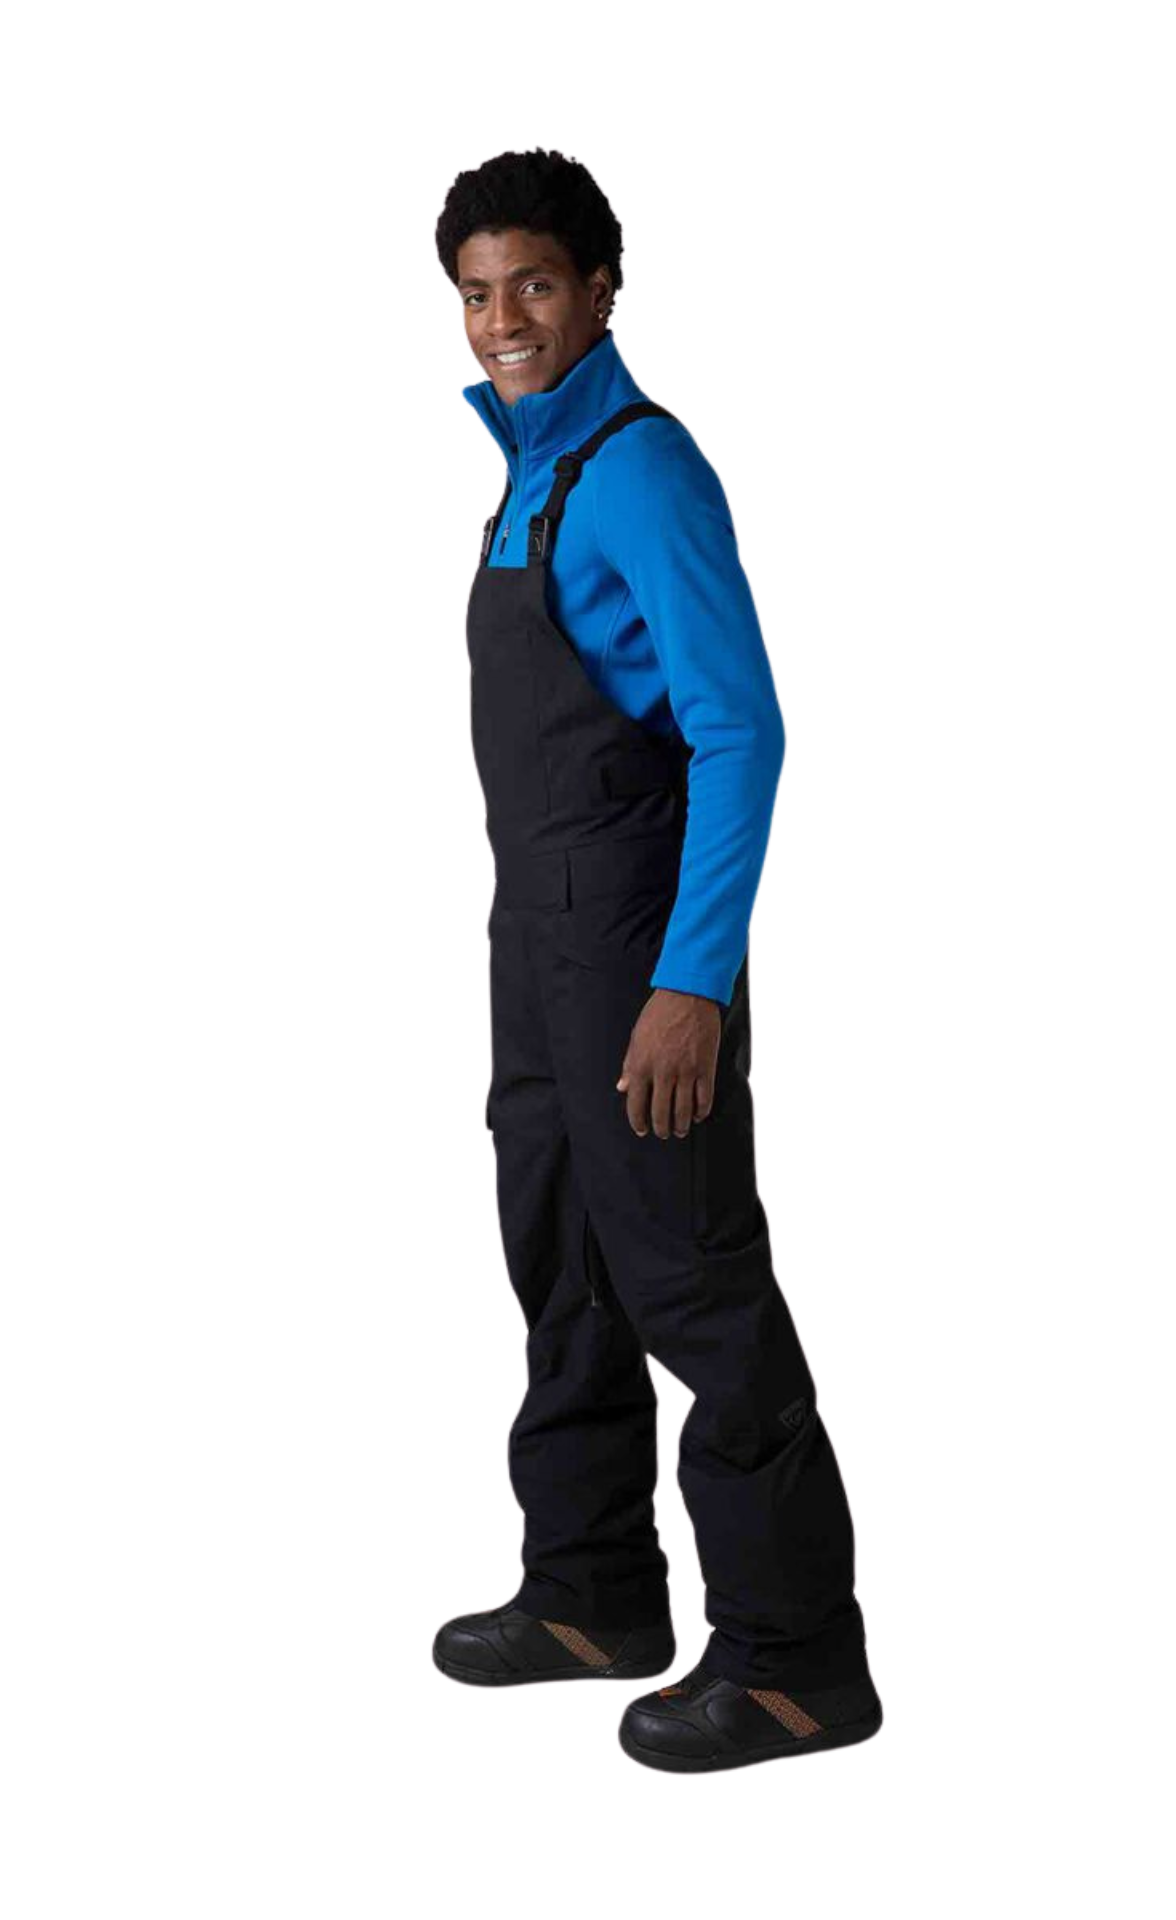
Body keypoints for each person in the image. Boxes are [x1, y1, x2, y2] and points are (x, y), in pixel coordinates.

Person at [430, 147, 882, 1773]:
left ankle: (795, 1659)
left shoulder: (637, 470)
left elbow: (740, 729)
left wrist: (691, 982)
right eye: (478, 294)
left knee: (689, 1274)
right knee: (561, 1254)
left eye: (535, 285)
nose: (505, 319)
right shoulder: (527, 476)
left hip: (635, 943)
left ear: (602, 289)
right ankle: (593, 1588)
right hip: (535, 935)